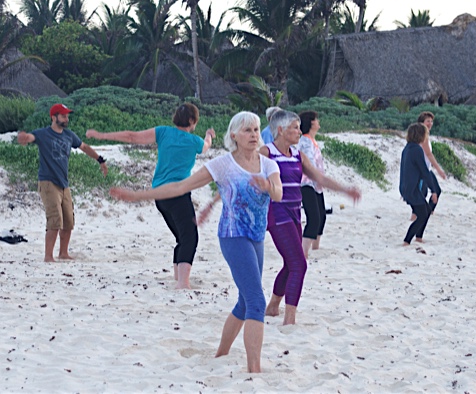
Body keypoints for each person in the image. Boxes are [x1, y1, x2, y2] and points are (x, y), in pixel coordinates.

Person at [110, 111, 283, 373]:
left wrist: (268, 187)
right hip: (233, 236)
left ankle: (221, 353)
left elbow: (279, 194)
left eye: (257, 130)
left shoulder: (268, 165)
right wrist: (138, 195)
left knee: (245, 302)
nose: (254, 135)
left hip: (257, 236)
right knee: (257, 301)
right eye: (247, 130)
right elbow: (180, 187)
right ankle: (254, 372)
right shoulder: (223, 165)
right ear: (233, 135)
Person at [86, 103, 215, 289]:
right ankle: (183, 283)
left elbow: (132, 136)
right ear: (192, 121)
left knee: (182, 237)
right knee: (190, 237)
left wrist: (101, 135)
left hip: (159, 197)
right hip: (177, 194)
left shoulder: (163, 132)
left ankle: (178, 278)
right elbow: (207, 146)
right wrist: (209, 135)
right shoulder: (195, 141)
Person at [259, 110, 361, 325]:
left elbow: (320, 178)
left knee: (290, 263)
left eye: (298, 127)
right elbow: (248, 177)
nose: (298, 131)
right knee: (299, 264)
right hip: (276, 214)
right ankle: (289, 319)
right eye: (294, 127)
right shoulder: (266, 153)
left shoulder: (298, 155)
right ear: (280, 130)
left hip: (295, 213)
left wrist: (345, 190)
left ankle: (272, 306)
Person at [17, 103, 108, 262]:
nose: (66, 118)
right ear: (54, 117)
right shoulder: (43, 134)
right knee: (55, 220)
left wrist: (100, 159)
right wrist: (24, 138)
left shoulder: (69, 135)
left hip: (64, 184)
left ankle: (63, 253)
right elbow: (31, 137)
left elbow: (84, 146)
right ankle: (48, 256)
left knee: (68, 221)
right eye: (63, 115)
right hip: (48, 182)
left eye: (67, 116)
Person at [400, 123, 439, 246]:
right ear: (420, 135)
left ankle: (419, 237)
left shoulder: (407, 148)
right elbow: (424, 171)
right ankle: (407, 241)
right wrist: (433, 190)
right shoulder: (416, 150)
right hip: (412, 189)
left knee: (426, 211)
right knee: (422, 214)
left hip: (406, 187)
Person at [297, 111, 326, 259]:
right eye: (316, 119)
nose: (318, 121)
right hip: (306, 183)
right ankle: (303, 252)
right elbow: (309, 163)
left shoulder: (312, 141)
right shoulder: (305, 141)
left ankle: (315, 247)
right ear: (311, 123)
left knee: (321, 216)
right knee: (313, 218)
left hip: (316, 185)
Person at [413, 111, 445, 222]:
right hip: (423, 170)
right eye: (428, 121)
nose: (430, 123)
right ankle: (417, 215)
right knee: (423, 193)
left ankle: (427, 212)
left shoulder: (423, 135)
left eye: (431, 121)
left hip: (427, 169)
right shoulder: (422, 136)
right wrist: (439, 170)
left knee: (436, 191)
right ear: (422, 122)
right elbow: (429, 154)